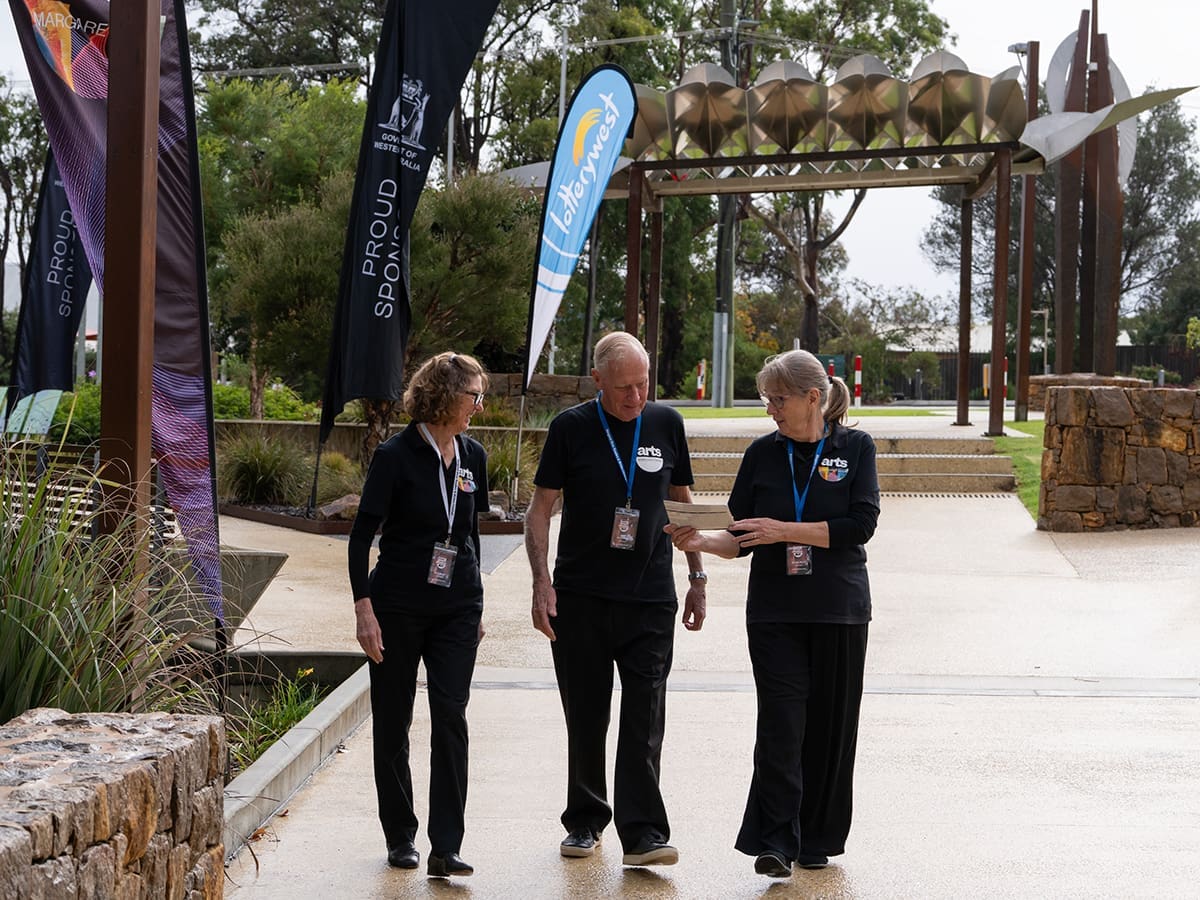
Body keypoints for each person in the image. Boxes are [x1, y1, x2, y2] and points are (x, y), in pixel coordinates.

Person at [666, 349, 880, 879]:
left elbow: (860, 525)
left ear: (813, 398)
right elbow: (740, 534)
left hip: (840, 610)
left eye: (777, 399)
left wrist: (786, 530)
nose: (770, 410)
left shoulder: (856, 447)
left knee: (830, 727)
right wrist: (701, 541)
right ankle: (777, 841)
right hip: (775, 613)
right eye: (767, 400)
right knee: (782, 725)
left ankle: (816, 839)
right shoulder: (763, 453)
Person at [525, 331, 707, 868]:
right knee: (586, 715)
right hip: (579, 597)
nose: (636, 396)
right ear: (598, 379)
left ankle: (645, 833)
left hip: (651, 598)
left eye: (643, 383)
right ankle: (584, 821)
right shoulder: (571, 429)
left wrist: (697, 577)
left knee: (645, 714)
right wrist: (541, 583)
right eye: (624, 386)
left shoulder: (666, 424)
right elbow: (540, 509)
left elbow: (682, 502)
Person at [348, 351, 490, 879]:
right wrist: (364, 609)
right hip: (397, 607)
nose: (478, 405)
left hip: (456, 609)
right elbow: (361, 536)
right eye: (473, 395)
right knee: (394, 720)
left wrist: (476, 602)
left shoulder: (474, 455)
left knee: (451, 715)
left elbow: (470, 534)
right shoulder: (395, 456)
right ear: (446, 395)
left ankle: (446, 846)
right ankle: (400, 834)